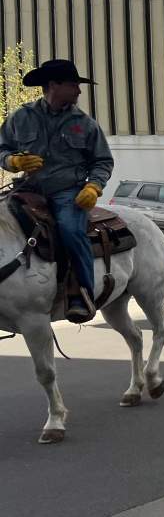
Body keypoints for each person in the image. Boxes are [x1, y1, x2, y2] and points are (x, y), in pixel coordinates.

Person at [0, 58, 114, 323]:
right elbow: (2, 148)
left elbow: (103, 161)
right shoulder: (21, 117)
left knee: (71, 230)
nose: (79, 90)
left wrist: (94, 186)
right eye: (73, 84)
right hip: (28, 188)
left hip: (68, 192)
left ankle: (82, 294)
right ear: (53, 85)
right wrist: (13, 161)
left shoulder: (84, 123)